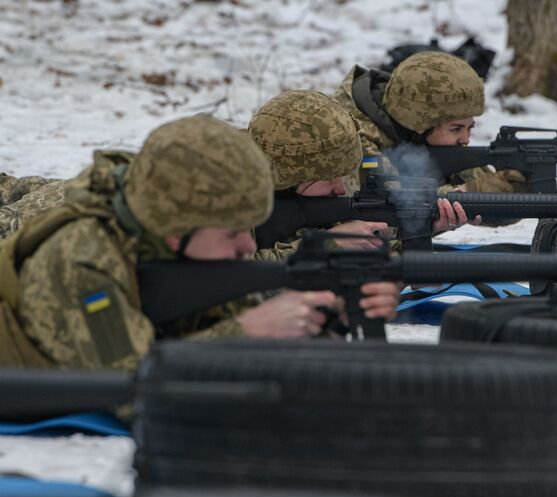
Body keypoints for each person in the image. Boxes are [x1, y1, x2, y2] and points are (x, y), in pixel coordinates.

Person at [0, 115, 398, 370]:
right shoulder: (80, 260)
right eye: (231, 233)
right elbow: (129, 386)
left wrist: (327, 320)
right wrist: (245, 333)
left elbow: (228, 335)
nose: (247, 246)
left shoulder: (181, 256)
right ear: (175, 231)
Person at [247, 90, 477, 261]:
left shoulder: (315, 202)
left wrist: (425, 227)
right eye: (329, 179)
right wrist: (328, 244)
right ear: (285, 179)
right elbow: (233, 285)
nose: (341, 190)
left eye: (344, 177)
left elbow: (363, 260)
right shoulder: (224, 195)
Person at [333, 51, 526, 194]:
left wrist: (513, 185)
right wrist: (464, 194)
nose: (465, 139)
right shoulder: (353, 136)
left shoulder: (426, 137)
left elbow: (488, 195)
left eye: (470, 127)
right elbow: (384, 215)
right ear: (419, 123)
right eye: (456, 129)